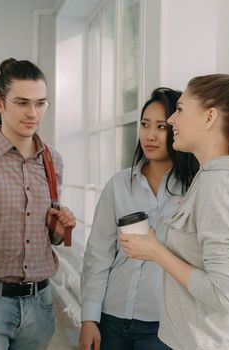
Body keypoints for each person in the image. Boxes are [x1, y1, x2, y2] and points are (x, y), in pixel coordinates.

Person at [120, 74, 229, 349]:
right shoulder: (225, 176)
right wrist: (156, 244)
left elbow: (223, 291)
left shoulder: (219, 184)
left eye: (181, 109)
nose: (172, 119)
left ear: (209, 117)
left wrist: (156, 252)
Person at [0, 58, 77, 350]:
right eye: (22, 102)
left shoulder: (52, 160)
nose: (32, 113)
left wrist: (57, 230)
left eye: (40, 103)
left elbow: (46, 238)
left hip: (41, 306)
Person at [79, 87, 199, 350]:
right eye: (145, 125)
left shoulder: (195, 189)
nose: (150, 135)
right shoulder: (119, 185)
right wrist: (89, 317)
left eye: (161, 127)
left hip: (163, 325)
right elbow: (98, 254)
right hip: (111, 317)